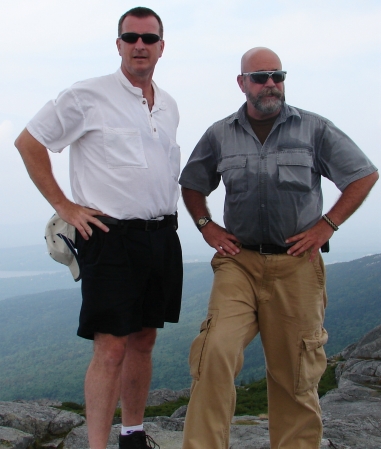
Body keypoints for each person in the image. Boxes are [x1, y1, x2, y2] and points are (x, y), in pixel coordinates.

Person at [179, 47, 378, 449]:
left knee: (296, 373)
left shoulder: (315, 128)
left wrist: (327, 225)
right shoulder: (221, 133)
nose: (271, 83)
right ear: (242, 83)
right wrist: (206, 226)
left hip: (297, 264)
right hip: (240, 263)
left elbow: (363, 174)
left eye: (278, 75)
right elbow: (193, 182)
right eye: (260, 76)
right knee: (214, 351)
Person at [14, 7, 182, 449]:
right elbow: (29, 142)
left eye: (148, 38)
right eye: (130, 37)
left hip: (162, 235)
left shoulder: (168, 106)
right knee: (110, 347)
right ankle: (96, 446)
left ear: (162, 46)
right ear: (119, 45)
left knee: (144, 340)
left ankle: (131, 435)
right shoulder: (87, 94)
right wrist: (64, 206)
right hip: (111, 237)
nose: (139, 45)